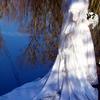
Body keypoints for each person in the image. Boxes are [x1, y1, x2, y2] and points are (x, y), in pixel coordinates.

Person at [0, 1, 99, 100]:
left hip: (79, 33)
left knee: (79, 55)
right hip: (75, 35)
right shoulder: (74, 2)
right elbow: (73, 15)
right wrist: (84, 19)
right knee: (75, 56)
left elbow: (76, 14)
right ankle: (73, 76)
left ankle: (77, 75)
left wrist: (90, 17)